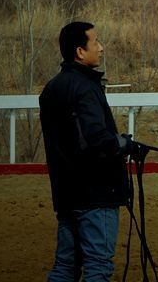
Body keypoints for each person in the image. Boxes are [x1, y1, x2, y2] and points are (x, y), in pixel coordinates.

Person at [39, 21, 145, 282]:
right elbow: (97, 140)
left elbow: (73, 140)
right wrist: (126, 145)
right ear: (79, 52)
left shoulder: (51, 89)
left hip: (66, 194)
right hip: (96, 195)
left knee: (64, 267)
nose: (101, 47)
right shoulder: (85, 88)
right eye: (95, 42)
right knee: (98, 267)